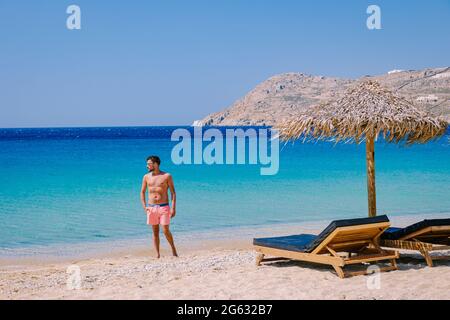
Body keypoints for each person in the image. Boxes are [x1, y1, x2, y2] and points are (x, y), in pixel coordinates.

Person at [140, 155, 178, 258]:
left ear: (155, 164)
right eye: (147, 164)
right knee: (155, 232)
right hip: (151, 208)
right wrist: (145, 207)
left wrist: (173, 208)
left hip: (164, 207)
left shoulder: (167, 176)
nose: (147, 166)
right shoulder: (146, 177)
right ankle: (157, 254)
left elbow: (173, 193)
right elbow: (142, 192)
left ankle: (173, 250)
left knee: (165, 230)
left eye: (149, 164)